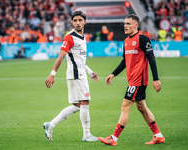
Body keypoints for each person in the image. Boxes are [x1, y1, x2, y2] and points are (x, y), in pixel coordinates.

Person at [98, 14, 165, 146]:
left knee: (125, 106)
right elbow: (125, 61)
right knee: (142, 107)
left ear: (136, 25)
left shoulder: (143, 39)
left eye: (128, 23)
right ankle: (158, 135)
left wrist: (156, 79)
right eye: (124, 23)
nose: (125, 26)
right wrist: (113, 74)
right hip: (132, 80)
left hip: (138, 80)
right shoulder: (126, 41)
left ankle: (114, 138)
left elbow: (151, 58)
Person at [43, 11, 99, 142]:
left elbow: (81, 60)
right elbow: (61, 56)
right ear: (72, 22)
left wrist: (90, 72)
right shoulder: (69, 37)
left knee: (77, 105)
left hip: (80, 74)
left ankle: (50, 125)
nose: (78, 22)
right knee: (85, 103)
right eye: (75, 20)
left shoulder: (83, 36)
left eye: (80, 20)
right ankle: (86, 135)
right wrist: (52, 74)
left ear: (84, 21)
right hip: (76, 75)